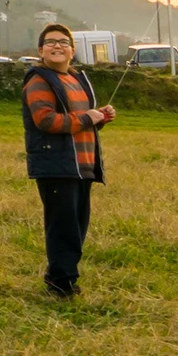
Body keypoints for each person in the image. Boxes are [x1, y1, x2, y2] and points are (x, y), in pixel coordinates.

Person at [22, 23, 115, 299]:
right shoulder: (39, 80)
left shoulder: (76, 80)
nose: (57, 46)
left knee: (76, 226)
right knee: (63, 227)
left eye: (63, 42)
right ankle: (61, 284)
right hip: (56, 166)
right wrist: (89, 117)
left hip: (82, 165)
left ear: (72, 51)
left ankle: (64, 278)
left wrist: (100, 118)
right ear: (41, 51)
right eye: (50, 42)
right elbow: (46, 121)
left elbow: (78, 123)